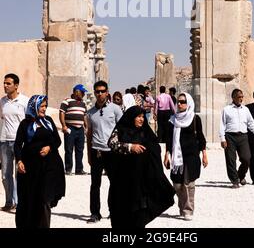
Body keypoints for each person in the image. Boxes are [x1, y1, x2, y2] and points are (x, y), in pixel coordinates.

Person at [107, 105, 175, 228]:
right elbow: (112, 143)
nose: (141, 119)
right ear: (131, 117)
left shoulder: (146, 132)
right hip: (123, 180)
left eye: (143, 116)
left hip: (141, 181)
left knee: (139, 215)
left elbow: (154, 147)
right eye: (138, 116)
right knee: (121, 212)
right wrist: (130, 147)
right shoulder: (121, 129)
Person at [14, 95, 65, 228]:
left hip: (49, 166)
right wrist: (19, 161)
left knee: (44, 199)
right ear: (33, 106)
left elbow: (57, 141)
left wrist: (49, 147)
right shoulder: (25, 124)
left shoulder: (48, 121)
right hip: (30, 168)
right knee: (29, 199)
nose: (44, 109)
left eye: (45, 106)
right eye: (41, 106)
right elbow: (18, 144)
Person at [164, 92, 207, 221]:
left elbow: (201, 137)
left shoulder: (194, 118)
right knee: (177, 184)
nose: (180, 104)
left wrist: (204, 154)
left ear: (188, 103)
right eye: (178, 101)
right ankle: (182, 205)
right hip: (177, 157)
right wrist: (166, 154)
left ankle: (188, 210)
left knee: (189, 183)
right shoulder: (172, 120)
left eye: (183, 102)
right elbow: (169, 139)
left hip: (191, 155)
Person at [86, 80, 122, 223]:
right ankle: (95, 213)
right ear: (95, 93)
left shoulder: (115, 109)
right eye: (97, 91)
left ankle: (114, 210)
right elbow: (89, 134)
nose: (100, 94)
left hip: (112, 152)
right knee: (95, 184)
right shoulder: (90, 112)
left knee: (114, 183)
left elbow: (122, 129)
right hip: (97, 151)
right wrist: (89, 154)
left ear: (107, 92)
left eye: (102, 91)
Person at [219, 88, 254, 188]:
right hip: (230, 136)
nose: (241, 99)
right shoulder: (226, 109)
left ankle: (240, 175)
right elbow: (222, 125)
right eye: (239, 97)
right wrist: (222, 139)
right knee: (231, 160)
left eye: (242, 97)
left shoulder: (245, 110)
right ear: (233, 97)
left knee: (247, 158)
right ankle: (235, 181)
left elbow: (250, 123)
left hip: (243, 136)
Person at [0, 73, 28, 211]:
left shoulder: (25, 101)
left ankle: (19, 203)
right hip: (4, 141)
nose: (5, 85)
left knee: (19, 174)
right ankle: (9, 202)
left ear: (16, 85)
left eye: (8, 83)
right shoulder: (2, 101)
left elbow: (29, 123)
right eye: (4, 83)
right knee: (5, 175)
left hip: (19, 143)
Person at [59, 83, 88, 175]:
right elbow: (62, 113)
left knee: (80, 150)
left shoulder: (84, 103)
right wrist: (64, 125)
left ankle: (79, 170)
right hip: (70, 128)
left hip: (80, 130)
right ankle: (68, 169)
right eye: (82, 92)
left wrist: (86, 127)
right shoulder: (67, 101)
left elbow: (84, 116)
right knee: (69, 149)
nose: (83, 94)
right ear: (76, 92)